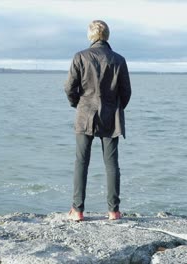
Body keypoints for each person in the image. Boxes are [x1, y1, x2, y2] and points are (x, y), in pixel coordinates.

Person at [64, 20, 132, 221]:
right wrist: (115, 107)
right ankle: (114, 211)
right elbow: (126, 92)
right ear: (107, 36)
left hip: (85, 113)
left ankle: (77, 211)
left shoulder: (80, 57)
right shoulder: (118, 59)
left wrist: (77, 103)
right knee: (112, 164)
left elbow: (69, 87)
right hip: (110, 115)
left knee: (81, 162)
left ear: (90, 36)